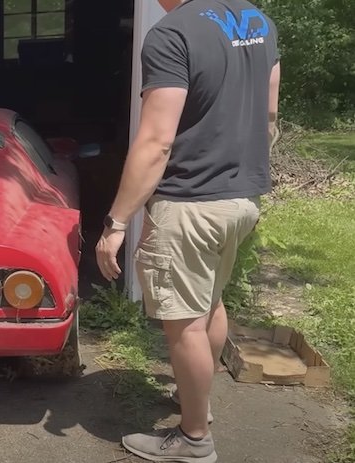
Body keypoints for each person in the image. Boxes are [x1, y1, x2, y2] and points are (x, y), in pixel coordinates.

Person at [95, 0, 280, 461]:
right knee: (210, 303)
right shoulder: (258, 22)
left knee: (185, 325)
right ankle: (198, 403)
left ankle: (194, 439)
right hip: (241, 199)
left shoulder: (172, 33)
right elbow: (270, 115)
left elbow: (157, 142)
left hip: (191, 203)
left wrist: (116, 222)